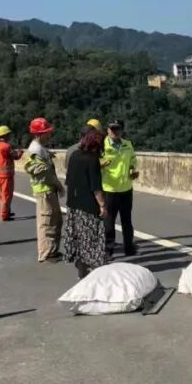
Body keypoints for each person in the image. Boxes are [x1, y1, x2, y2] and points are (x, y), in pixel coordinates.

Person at [63, 129, 108, 279]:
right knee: (92, 240)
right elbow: (96, 187)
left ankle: (81, 271)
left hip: (73, 205)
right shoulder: (92, 159)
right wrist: (102, 205)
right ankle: (95, 274)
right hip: (88, 207)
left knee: (79, 240)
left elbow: (69, 180)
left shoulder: (74, 155)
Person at [24, 117, 64, 262]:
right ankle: (46, 254)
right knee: (46, 223)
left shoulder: (40, 149)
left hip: (48, 189)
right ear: (39, 134)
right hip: (44, 190)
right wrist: (58, 185)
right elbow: (43, 172)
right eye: (47, 133)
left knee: (55, 221)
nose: (49, 135)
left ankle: (52, 251)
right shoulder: (35, 150)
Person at [100, 118, 139, 257]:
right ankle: (108, 249)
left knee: (127, 221)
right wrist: (101, 164)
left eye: (118, 129)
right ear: (107, 129)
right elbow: (95, 162)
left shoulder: (127, 144)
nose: (115, 132)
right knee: (109, 221)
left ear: (122, 130)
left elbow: (133, 160)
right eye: (112, 128)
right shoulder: (101, 145)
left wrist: (133, 170)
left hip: (126, 188)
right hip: (109, 188)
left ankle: (129, 247)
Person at [0, 125, 23, 221]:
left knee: (3, 194)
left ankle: (7, 211)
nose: (10, 136)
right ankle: (4, 215)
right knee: (6, 194)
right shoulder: (6, 146)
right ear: (6, 135)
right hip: (6, 174)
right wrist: (20, 151)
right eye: (9, 134)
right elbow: (15, 156)